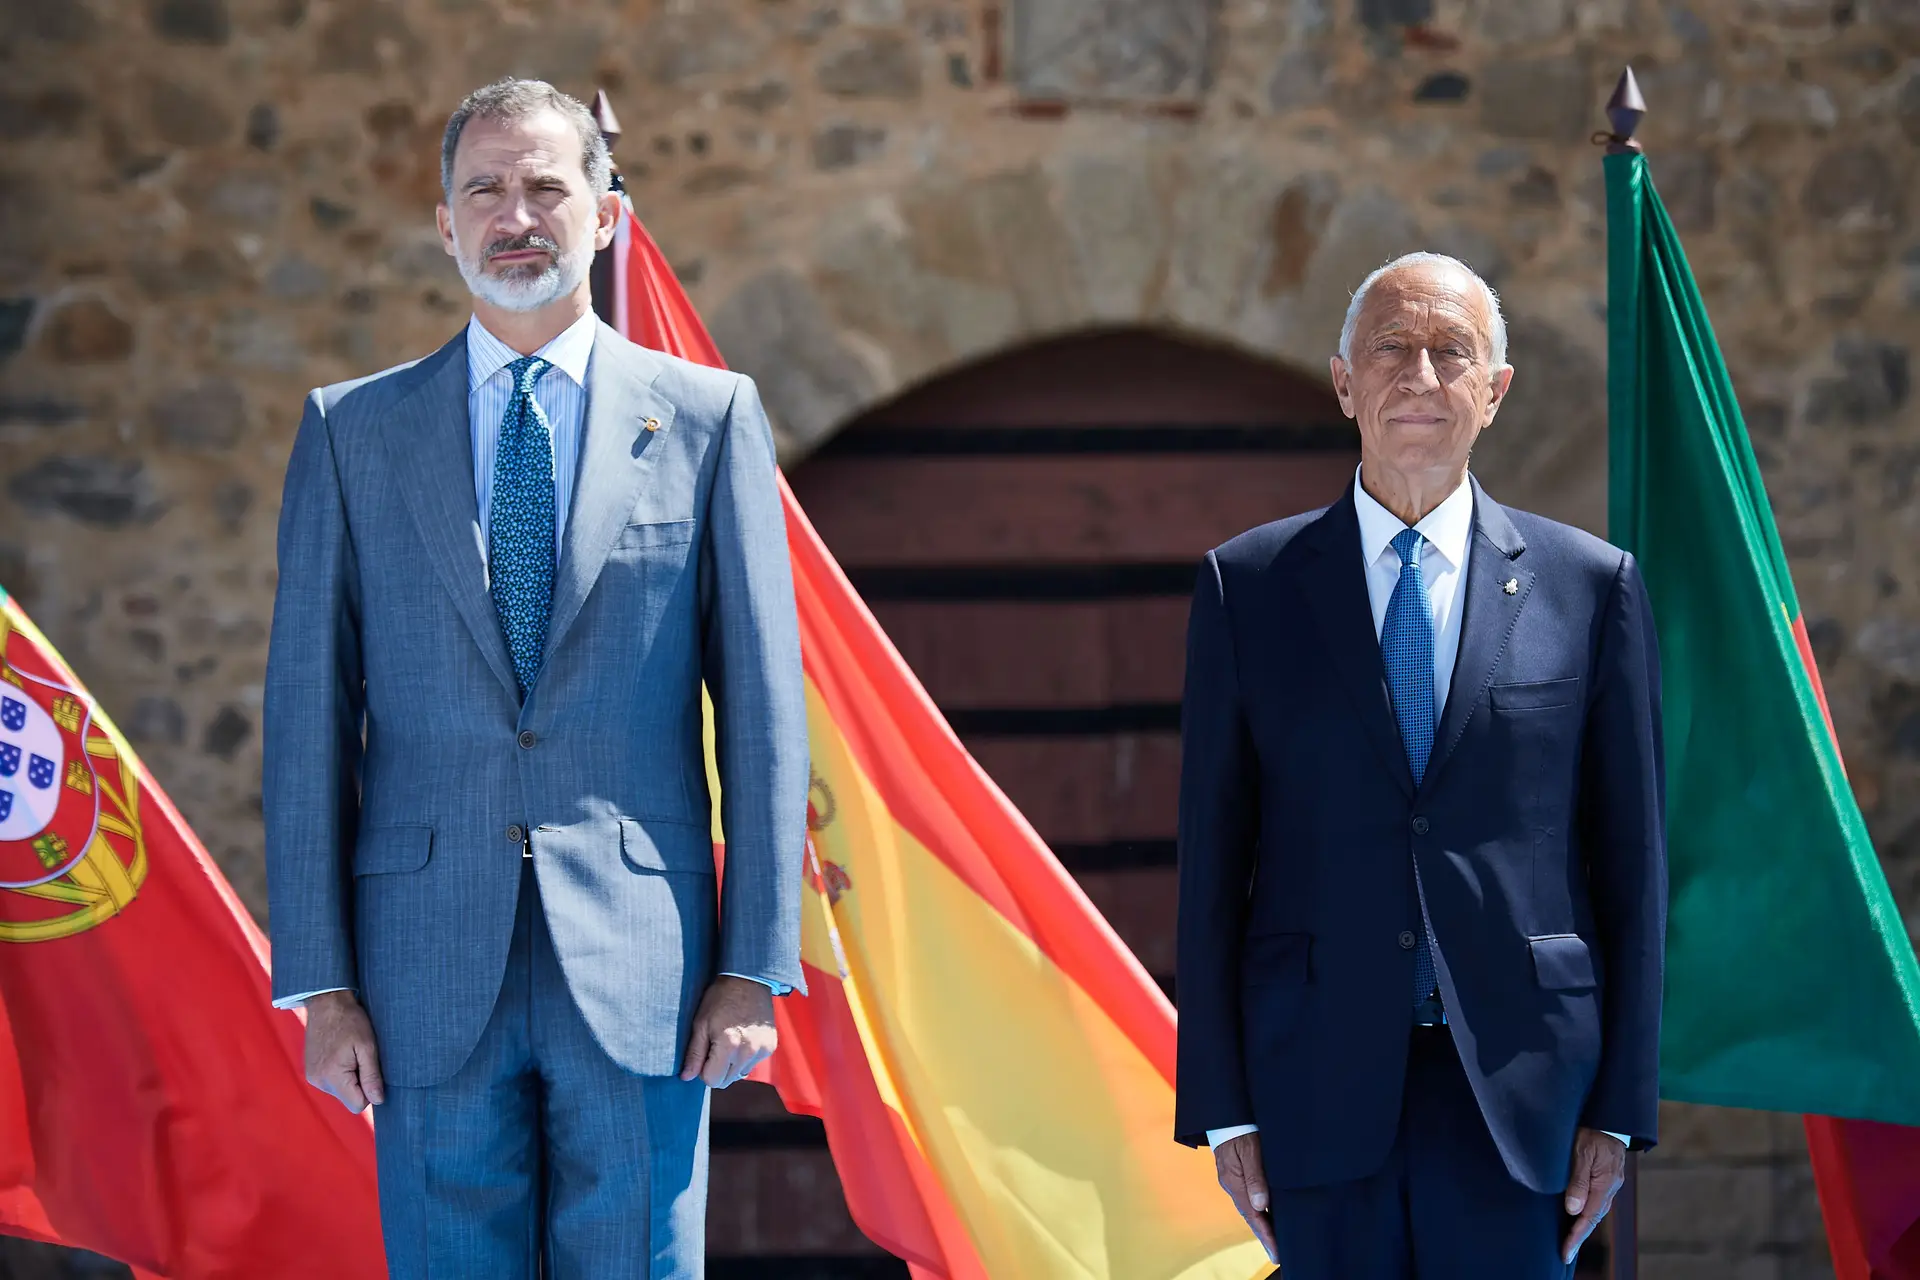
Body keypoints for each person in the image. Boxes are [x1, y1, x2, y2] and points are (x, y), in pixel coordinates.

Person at [261, 78, 807, 1277]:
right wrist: (321, 983)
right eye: (486, 190)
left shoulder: (710, 419)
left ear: (605, 215)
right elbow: (306, 722)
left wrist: (754, 960)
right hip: (419, 971)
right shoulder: (352, 432)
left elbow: (765, 714)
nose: (518, 214)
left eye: (548, 186)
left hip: (646, 972)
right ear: (444, 223)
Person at [1173, 252, 1666, 1277]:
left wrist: (1620, 1110)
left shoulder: (1593, 586)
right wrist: (1223, 1112)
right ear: (1344, 382)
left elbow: (1633, 869)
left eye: (1453, 351)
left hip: (1526, 1100)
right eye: (1391, 348)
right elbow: (1212, 867)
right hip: (1313, 1092)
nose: (1421, 375)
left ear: (1495, 390)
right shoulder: (1247, 588)